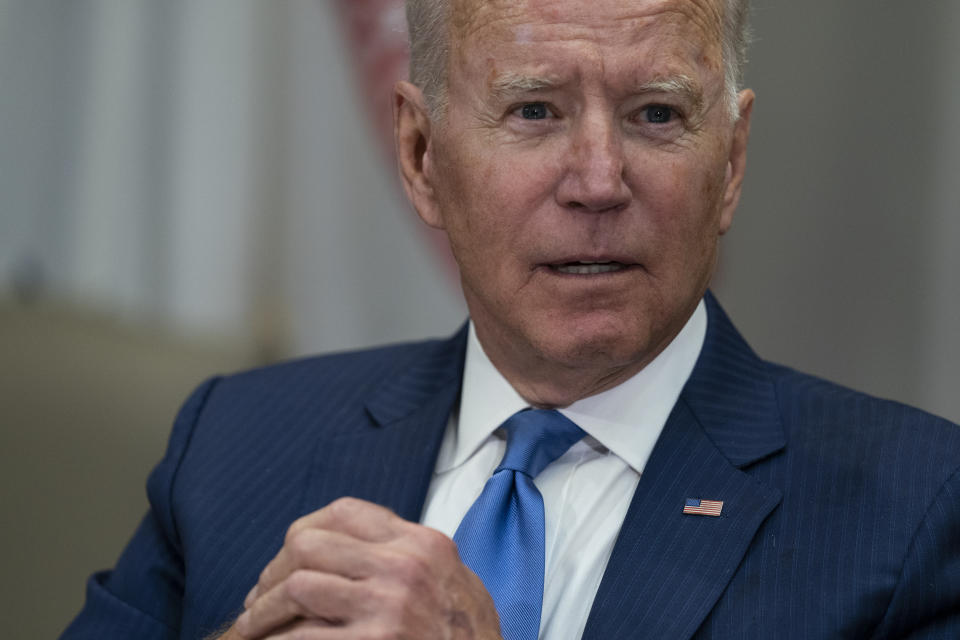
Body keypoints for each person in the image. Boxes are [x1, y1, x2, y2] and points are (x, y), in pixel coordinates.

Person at [61, 0, 960, 638]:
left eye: (656, 113)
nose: (601, 181)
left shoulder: (912, 510)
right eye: (535, 111)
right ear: (420, 155)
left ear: (729, 166)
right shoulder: (235, 444)